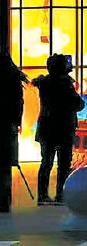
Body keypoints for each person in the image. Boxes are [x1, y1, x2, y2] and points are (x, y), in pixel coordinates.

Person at [32, 54, 84, 205]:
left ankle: (42, 195)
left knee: (46, 163)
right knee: (63, 165)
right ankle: (61, 195)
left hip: (46, 129)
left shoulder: (44, 83)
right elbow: (78, 104)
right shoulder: (64, 84)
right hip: (63, 129)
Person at [0, 54, 28, 213]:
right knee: (4, 166)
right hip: (7, 127)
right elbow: (18, 104)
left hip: (6, 125)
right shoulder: (13, 79)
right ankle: (4, 202)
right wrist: (16, 123)